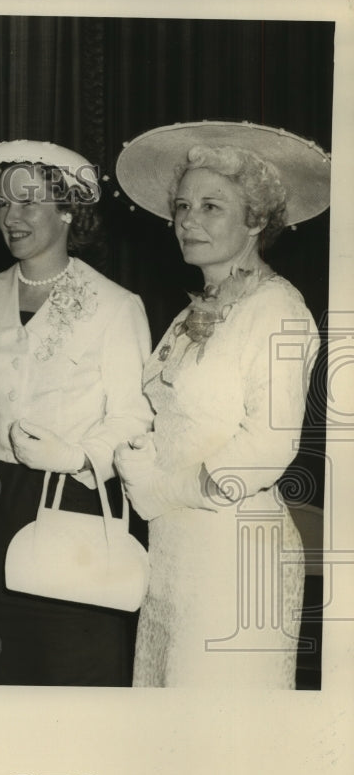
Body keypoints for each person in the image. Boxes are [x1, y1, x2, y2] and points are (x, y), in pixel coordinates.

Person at [0, 140, 154, 685]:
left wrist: (78, 453)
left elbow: (134, 418)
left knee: (69, 670)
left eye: (30, 202)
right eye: (4, 204)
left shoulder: (115, 306)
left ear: (69, 210)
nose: (12, 217)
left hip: (75, 502)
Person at [114, 121, 329, 688]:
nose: (187, 220)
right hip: (174, 554)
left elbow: (270, 445)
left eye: (212, 206)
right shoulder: (189, 314)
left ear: (257, 220)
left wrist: (165, 488)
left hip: (236, 558)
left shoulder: (279, 310)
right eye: (183, 205)